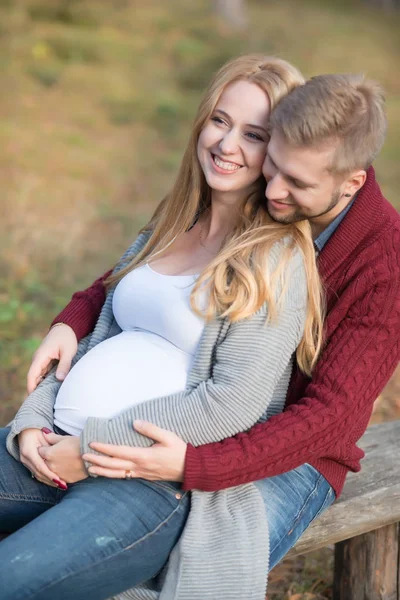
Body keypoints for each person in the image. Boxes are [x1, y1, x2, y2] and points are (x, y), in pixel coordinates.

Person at [27, 69, 400, 579]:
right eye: (273, 166)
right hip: (197, 418)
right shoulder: (263, 200)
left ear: (351, 181)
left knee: (181, 572)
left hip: (295, 455)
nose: (274, 189)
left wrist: (196, 467)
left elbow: (330, 416)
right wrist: (74, 317)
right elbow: (156, 272)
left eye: (297, 182)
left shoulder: (384, 262)